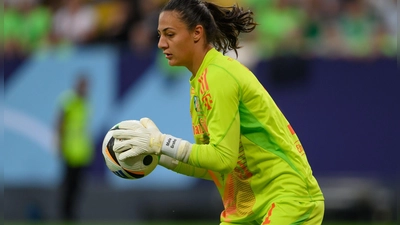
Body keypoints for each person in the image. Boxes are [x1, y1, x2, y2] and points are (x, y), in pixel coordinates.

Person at [110, 0, 325, 224]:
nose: (161, 44)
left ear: (197, 33)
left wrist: (161, 143)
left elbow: (222, 159)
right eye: (159, 35)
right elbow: (214, 166)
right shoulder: (199, 84)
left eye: (170, 34)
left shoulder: (218, 76)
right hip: (246, 207)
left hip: (286, 199)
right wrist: (159, 156)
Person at [56, 75, 94, 221]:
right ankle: (65, 214)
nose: (85, 89)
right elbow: (60, 122)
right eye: (83, 85)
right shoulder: (68, 101)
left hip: (82, 151)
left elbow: (83, 128)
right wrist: (60, 144)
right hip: (70, 150)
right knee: (68, 185)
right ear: (77, 85)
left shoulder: (86, 103)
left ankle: (72, 214)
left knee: (78, 186)